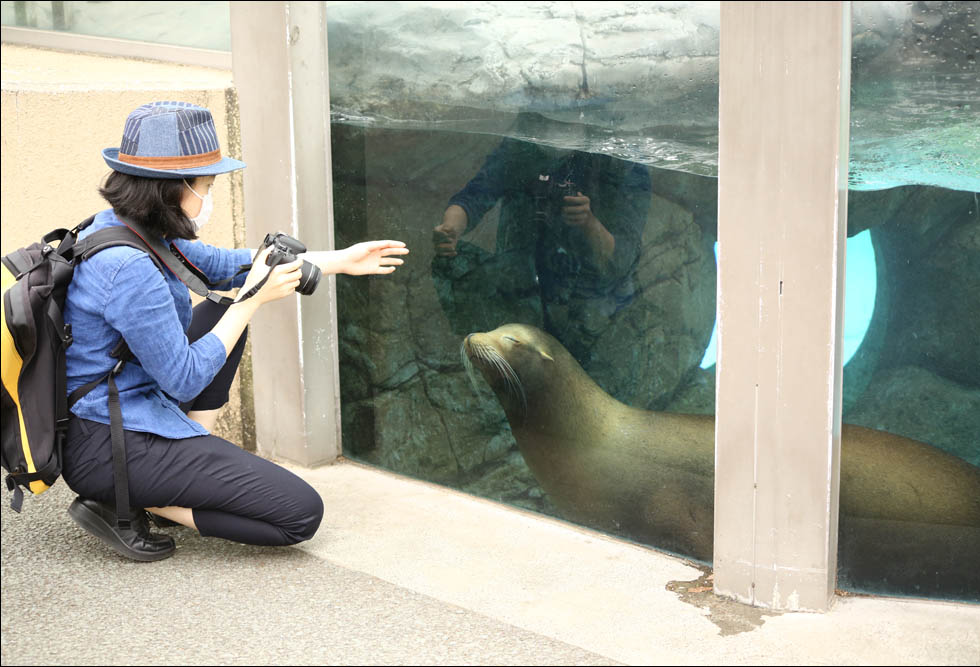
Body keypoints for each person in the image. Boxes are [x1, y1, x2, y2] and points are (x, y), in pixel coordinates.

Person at [62, 101, 408, 561]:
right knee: (300, 513)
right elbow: (185, 379)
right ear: (172, 189)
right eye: (205, 186)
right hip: (108, 442)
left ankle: (189, 455)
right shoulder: (127, 266)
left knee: (221, 312)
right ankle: (140, 501)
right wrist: (252, 300)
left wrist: (341, 260)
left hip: (122, 402)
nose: (209, 198)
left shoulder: (132, 228)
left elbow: (229, 267)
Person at [433, 132, 650, 364]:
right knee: (451, 265)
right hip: (526, 291)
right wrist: (451, 229)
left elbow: (619, 261)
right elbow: (476, 194)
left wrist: (588, 223)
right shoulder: (523, 143)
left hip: (594, 305)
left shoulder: (620, 158)